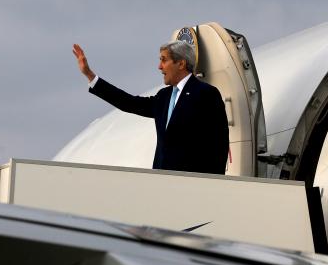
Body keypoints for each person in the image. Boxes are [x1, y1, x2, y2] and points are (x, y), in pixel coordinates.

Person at [72, 41, 229, 175]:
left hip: (193, 187)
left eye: (164, 60)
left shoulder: (206, 94)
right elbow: (129, 103)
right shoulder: (163, 96)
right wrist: (91, 76)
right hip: (161, 184)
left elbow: (219, 145)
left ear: (181, 63)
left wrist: (212, 186)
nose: (159, 67)